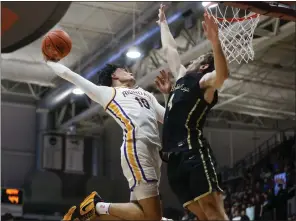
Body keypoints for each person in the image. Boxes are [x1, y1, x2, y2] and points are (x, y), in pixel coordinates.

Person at [46, 60, 166, 220]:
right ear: (114, 75)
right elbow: (71, 75)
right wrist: (49, 61)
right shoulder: (109, 93)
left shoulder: (147, 95)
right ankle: (96, 206)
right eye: (124, 69)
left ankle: (91, 218)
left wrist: (167, 93)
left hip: (154, 153)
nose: (129, 71)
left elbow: (169, 118)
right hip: (137, 147)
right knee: (153, 218)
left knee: (141, 216)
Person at [155, 4, 229, 220]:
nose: (190, 61)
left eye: (196, 60)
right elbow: (170, 49)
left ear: (204, 66)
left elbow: (222, 76)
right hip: (174, 159)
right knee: (201, 215)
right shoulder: (181, 80)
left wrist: (215, 44)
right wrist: (163, 23)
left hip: (193, 152)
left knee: (212, 210)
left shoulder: (204, 81)